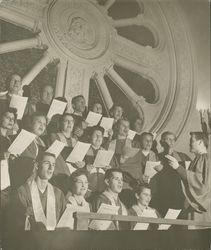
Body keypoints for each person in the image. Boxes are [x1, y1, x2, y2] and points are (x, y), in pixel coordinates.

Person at [166, 130, 211, 229]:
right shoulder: (197, 159)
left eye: (192, 141)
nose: (189, 144)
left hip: (199, 209)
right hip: (192, 206)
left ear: (200, 142)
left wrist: (178, 167)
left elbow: (200, 184)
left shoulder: (205, 159)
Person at [12, 152, 66, 231]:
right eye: (47, 163)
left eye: (53, 164)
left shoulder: (58, 193)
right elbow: (17, 222)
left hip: (55, 239)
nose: (51, 168)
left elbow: (63, 221)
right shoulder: (24, 191)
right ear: (37, 166)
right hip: (31, 239)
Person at [156, 131, 191, 215]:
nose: (171, 142)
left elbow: (190, 173)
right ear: (162, 142)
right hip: (163, 192)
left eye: (173, 139)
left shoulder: (183, 156)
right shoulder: (157, 156)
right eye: (168, 139)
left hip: (179, 193)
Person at [84, 126, 111, 195]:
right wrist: (85, 169)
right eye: (96, 135)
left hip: (102, 189)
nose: (99, 138)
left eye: (101, 136)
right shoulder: (83, 150)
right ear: (89, 137)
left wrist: (108, 170)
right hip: (87, 188)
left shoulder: (106, 153)